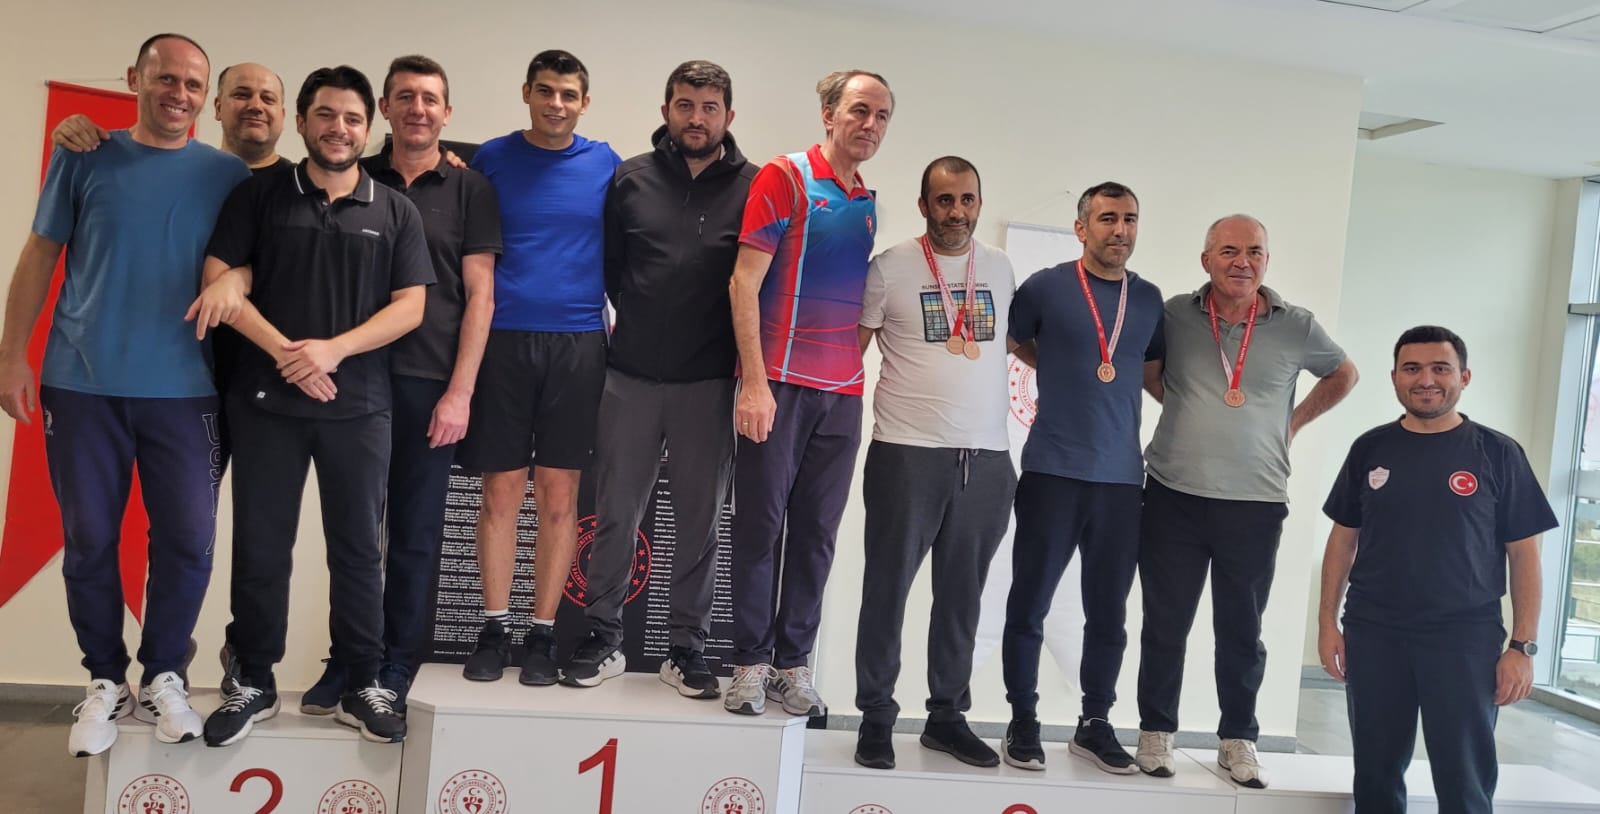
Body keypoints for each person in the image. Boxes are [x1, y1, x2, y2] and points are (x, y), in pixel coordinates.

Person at [0, 33, 247, 756]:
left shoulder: (228, 174)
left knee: (188, 542)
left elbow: (261, 248)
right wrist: (11, 356)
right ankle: (104, 679)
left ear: (206, 98)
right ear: (135, 78)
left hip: (187, 390)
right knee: (89, 541)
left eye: (193, 84)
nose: (179, 94)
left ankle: (165, 672)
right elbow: (39, 253)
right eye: (166, 78)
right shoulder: (82, 153)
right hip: (82, 385)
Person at [195, 65, 433, 747]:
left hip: (360, 407)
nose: (339, 128)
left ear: (369, 127)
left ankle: (362, 681)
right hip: (265, 403)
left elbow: (411, 306)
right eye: (325, 115)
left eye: (353, 118)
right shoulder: (259, 195)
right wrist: (288, 356)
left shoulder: (395, 210)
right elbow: (219, 282)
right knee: (261, 546)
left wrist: (333, 351)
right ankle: (254, 679)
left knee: (358, 550)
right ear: (301, 122)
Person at [289, 55, 500, 716]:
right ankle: (350, 659)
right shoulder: (354, 172)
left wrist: (461, 392)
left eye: (430, 99)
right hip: (354, 380)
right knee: (354, 535)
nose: (418, 109)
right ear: (384, 107)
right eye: (405, 97)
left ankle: (397, 662)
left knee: (414, 533)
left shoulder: (471, 189)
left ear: (447, 112)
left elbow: (481, 296)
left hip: (428, 384)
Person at [1133, 215, 1357, 787]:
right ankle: (1156, 731)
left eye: (1254, 251)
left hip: (1256, 501)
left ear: (1266, 260)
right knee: (1165, 624)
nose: (1242, 261)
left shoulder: (1295, 324)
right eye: (1229, 250)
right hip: (1174, 494)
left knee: (1241, 630)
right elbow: (1152, 374)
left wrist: (1294, 422)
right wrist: (1186, 407)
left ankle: (1238, 738)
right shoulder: (1174, 315)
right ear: (1205, 260)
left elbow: (1344, 374)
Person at [559, 60, 754, 696]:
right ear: (667, 109)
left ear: (728, 115)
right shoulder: (630, 179)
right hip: (631, 376)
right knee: (616, 510)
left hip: (709, 381)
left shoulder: (754, 187)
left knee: (700, 519)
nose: (696, 118)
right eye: (685, 104)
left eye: (709, 107)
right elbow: (613, 272)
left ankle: (686, 648)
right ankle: (603, 635)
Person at [1319, 326, 1552, 814]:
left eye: (1440, 368)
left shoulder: (1498, 453)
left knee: (1464, 780)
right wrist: (1327, 625)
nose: (1426, 380)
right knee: (1376, 775)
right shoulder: (1370, 448)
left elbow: (1524, 555)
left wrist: (1522, 647)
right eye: (1412, 369)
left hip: (1463, 637)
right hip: (1374, 632)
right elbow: (1342, 542)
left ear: (1464, 377)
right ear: (1394, 378)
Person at [726, 69, 893, 717]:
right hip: (778, 388)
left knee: (817, 535)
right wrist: (754, 383)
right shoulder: (785, 176)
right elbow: (743, 283)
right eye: (859, 110)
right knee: (761, 528)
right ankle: (749, 662)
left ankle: (792, 666)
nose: (870, 125)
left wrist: (849, 374)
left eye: (881, 116)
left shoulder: (866, 200)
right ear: (828, 113)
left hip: (841, 396)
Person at [456, 50, 619, 686]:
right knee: (500, 491)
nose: (557, 103)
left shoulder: (605, 163)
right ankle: (494, 628)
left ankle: (543, 634)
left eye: (569, 94)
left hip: (579, 344)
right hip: (502, 340)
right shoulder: (491, 159)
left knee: (559, 495)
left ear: (585, 102)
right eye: (546, 91)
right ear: (526, 92)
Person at [852, 157, 1015, 770]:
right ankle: (876, 716)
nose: (957, 212)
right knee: (887, 590)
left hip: (987, 459)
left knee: (962, 597)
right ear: (924, 205)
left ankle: (946, 717)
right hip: (906, 452)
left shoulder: (999, 267)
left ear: (979, 203)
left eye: (967, 199)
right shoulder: (889, 267)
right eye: (944, 200)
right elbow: (850, 354)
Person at [1000, 182, 1164, 774]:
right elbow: (1011, 342)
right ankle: (1022, 720)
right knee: (1029, 604)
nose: (1120, 230)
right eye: (1107, 218)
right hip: (1052, 472)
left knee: (1109, 614)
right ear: (1081, 227)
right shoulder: (1044, 287)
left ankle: (1095, 723)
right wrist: (1057, 363)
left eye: (1130, 219)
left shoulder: (1148, 299)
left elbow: (1152, 374)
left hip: (1121, 481)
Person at [53, 62, 292, 175]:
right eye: (242, 94)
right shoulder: (188, 173)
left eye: (268, 98)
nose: (256, 106)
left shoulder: (301, 187)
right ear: (217, 107)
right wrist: (69, 138)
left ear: (282, 116)